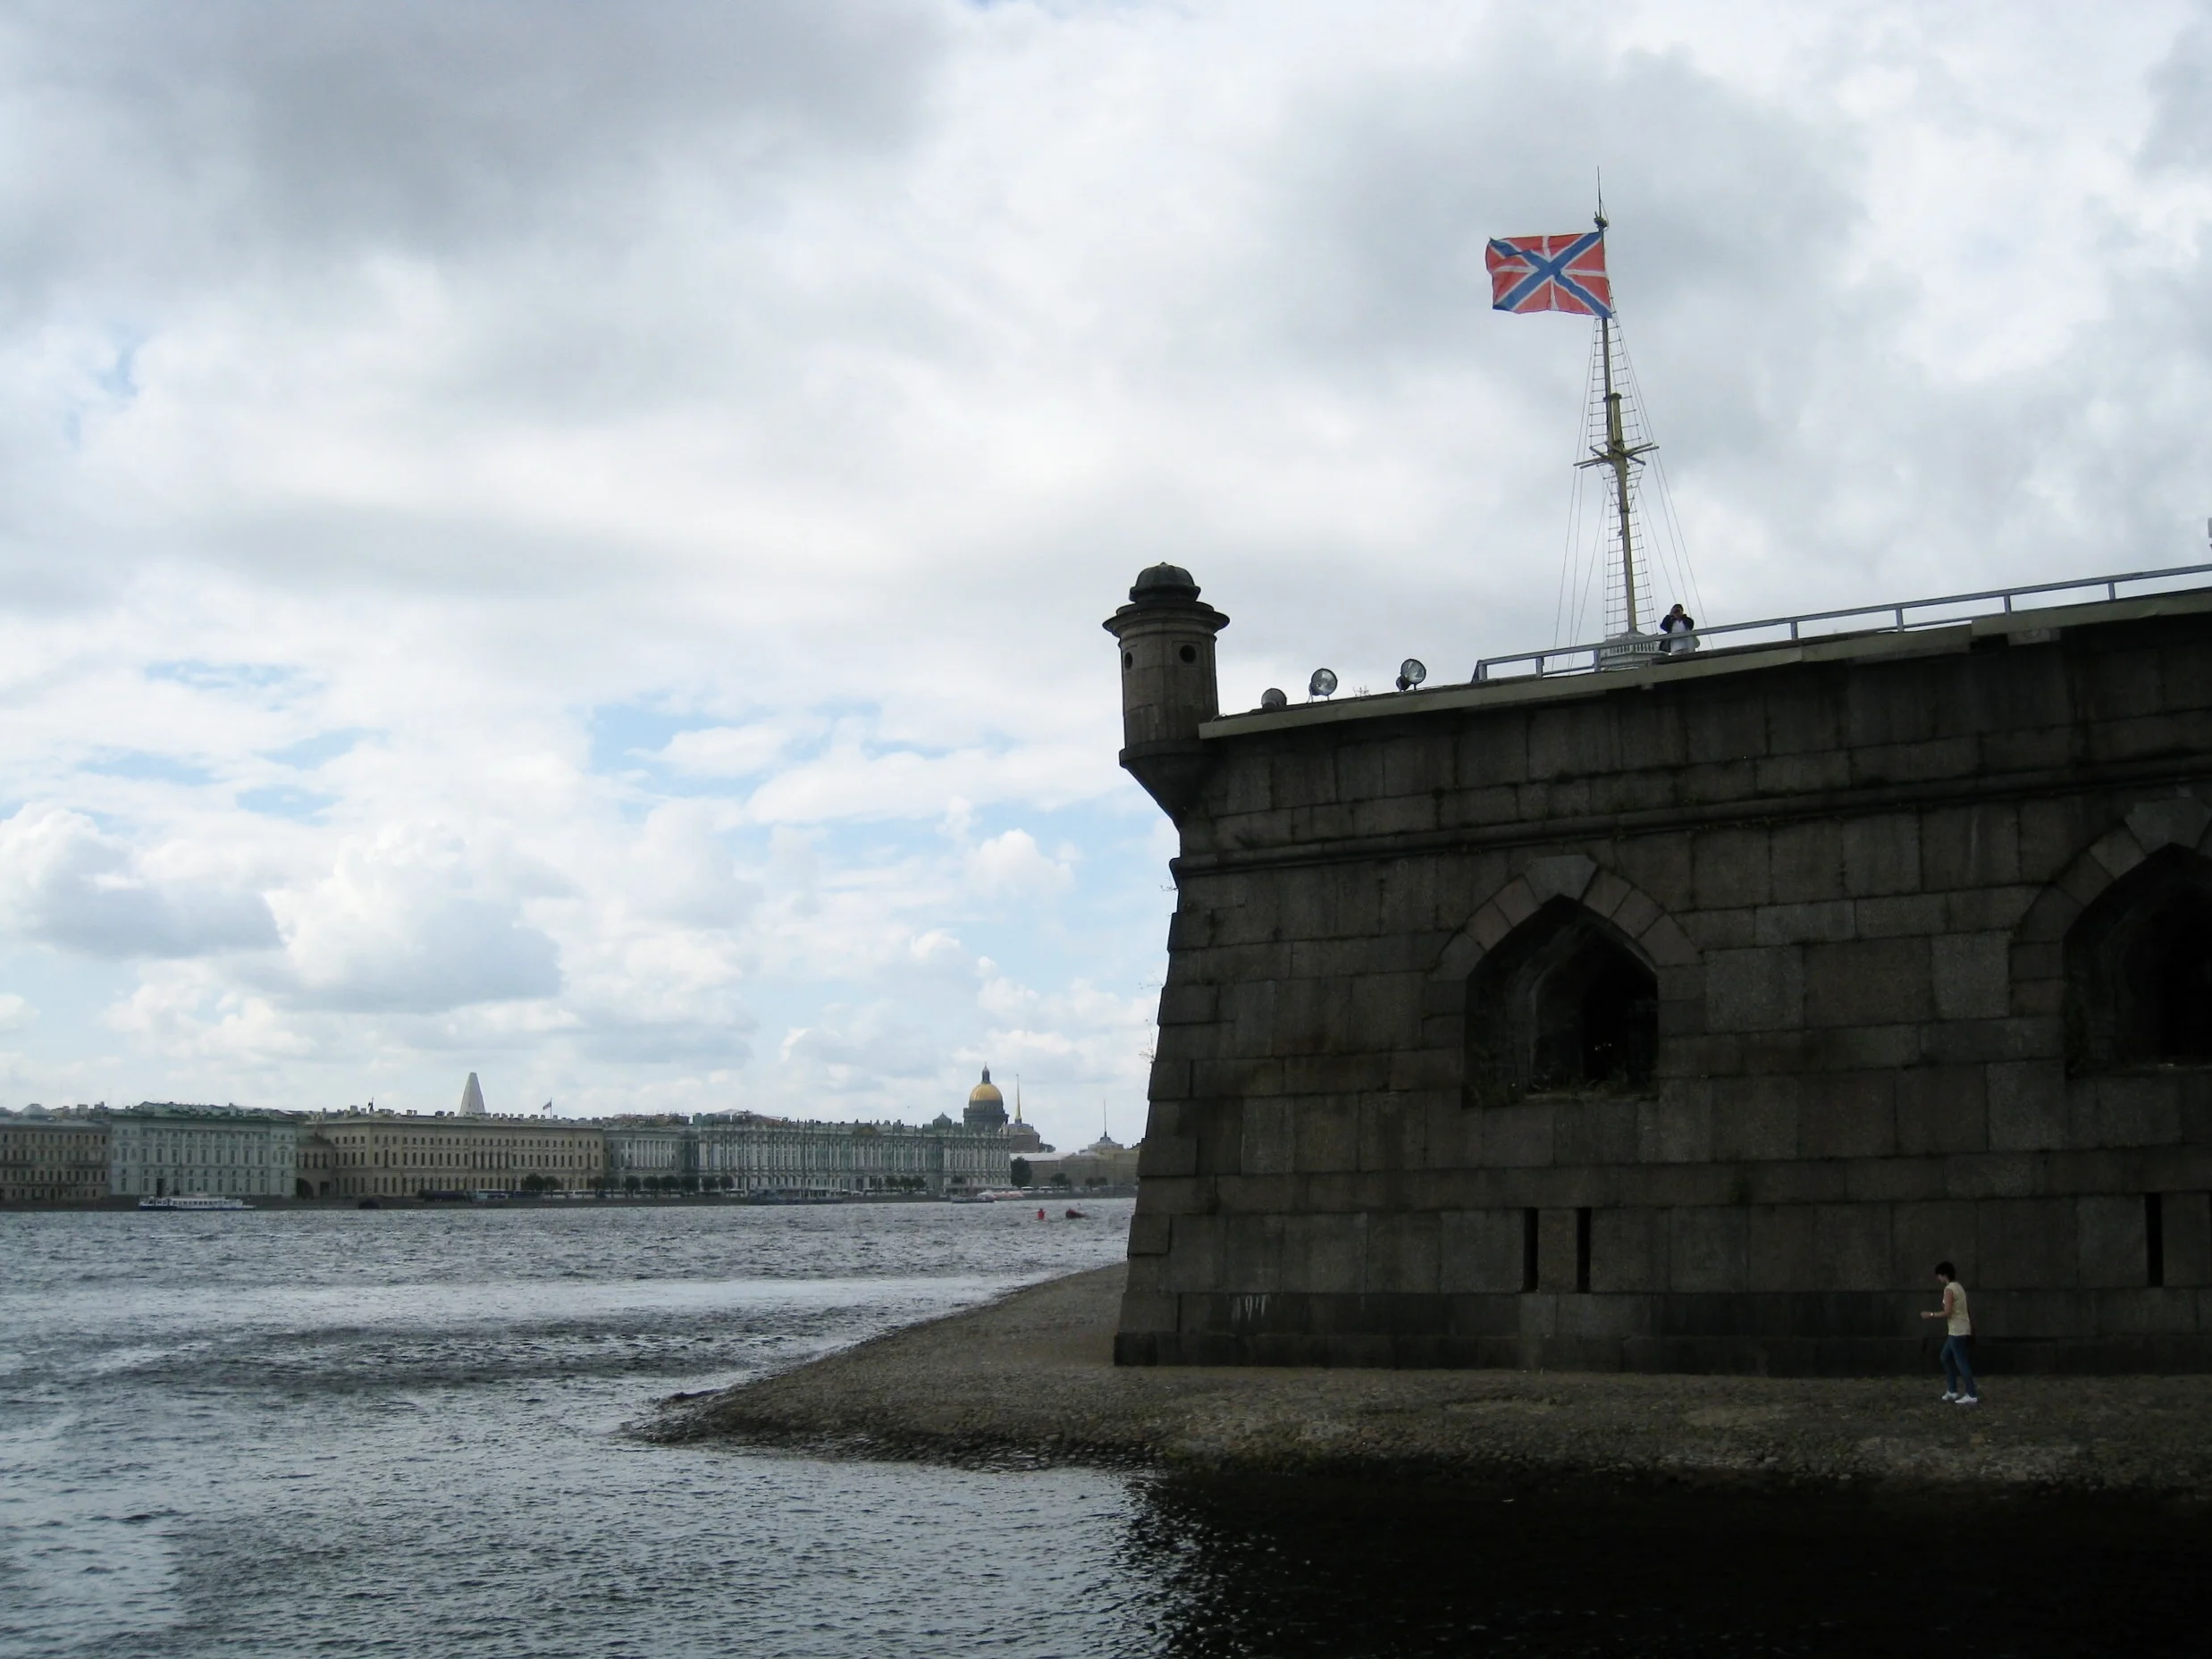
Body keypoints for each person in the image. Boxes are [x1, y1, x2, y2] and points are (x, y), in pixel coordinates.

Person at [1920, 1261, 1979, 1405]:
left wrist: (1931, 1314)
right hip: (1960, 1329)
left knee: (1961, 1362)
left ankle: (1971, 1394)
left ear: (1943, 1275)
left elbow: (1947, 1312)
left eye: (1939, 1275)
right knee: (1945, 1357)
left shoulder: (1949, 1289)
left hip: (1957, 1330)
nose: (1938, 1278)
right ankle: (1953, 1390)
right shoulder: (1959, 1287)